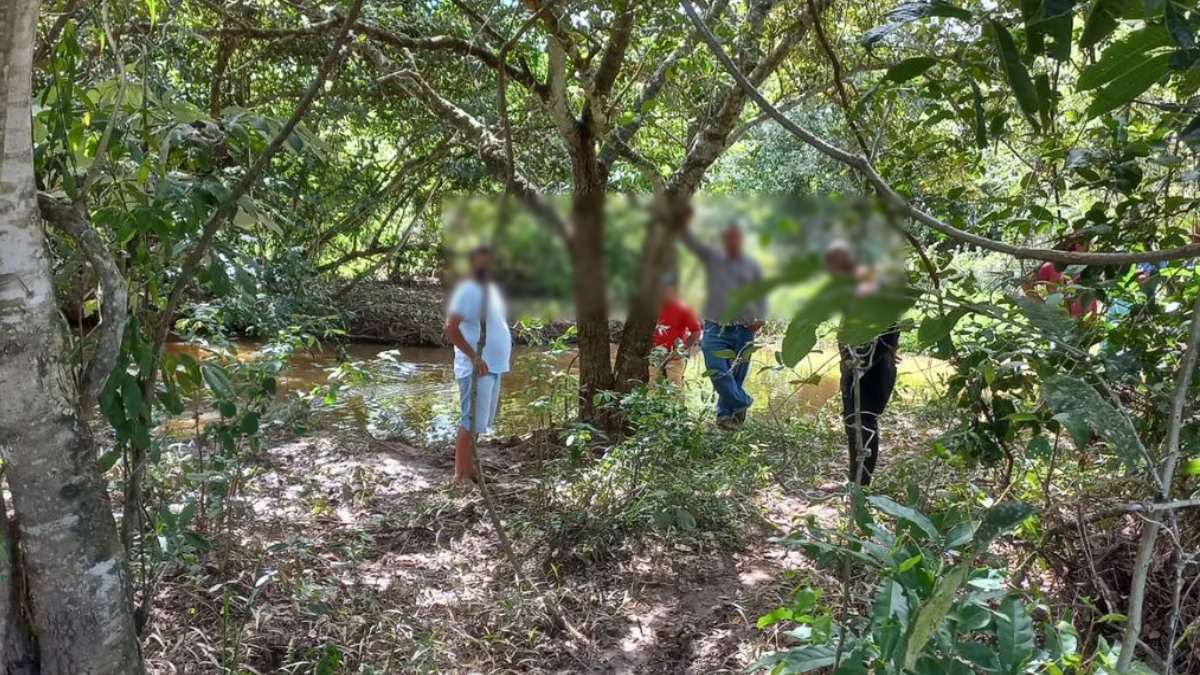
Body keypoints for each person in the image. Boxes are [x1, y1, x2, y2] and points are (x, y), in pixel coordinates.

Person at [679, 214, 766, 431]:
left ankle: (724, 416)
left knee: (736, 373)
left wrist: (762, 317)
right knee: (717, 370)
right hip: (715, 326)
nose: (731, 241)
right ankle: (743, 402)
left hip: (744, 328)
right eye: (727, 237)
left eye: (735, 236)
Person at [826, 241, 900, 487]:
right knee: (851, 421)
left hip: (874, 370)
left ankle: (862, 485)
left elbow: (888, 334)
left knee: (865, 420)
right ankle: (854, 480)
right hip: (853, 366)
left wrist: (863, 363)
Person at [443, 246, 512, 485]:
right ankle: (461, 476)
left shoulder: (490, 290)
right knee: (469, 422)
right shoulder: (468, 291)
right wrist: (473, 356)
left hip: (493, 367)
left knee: (479, 423)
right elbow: (450, 328)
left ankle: (471, 471)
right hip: (477, 368)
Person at [1027, 234, 1099, 318]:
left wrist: (1093, 319)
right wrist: (1043, 308)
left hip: (1083, 321)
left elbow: (1092, 298)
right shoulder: (1051, 266)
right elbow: (1025, 282)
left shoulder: (1089, 268)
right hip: (1057, 320)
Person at [652, 274, 701, 379]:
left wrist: (682, 349)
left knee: (675, 385)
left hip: (674, 354)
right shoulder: (654, 306)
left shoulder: (683, 308)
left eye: (666, 288)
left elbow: (696, 331)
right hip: (656, 352)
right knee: (653, 385)